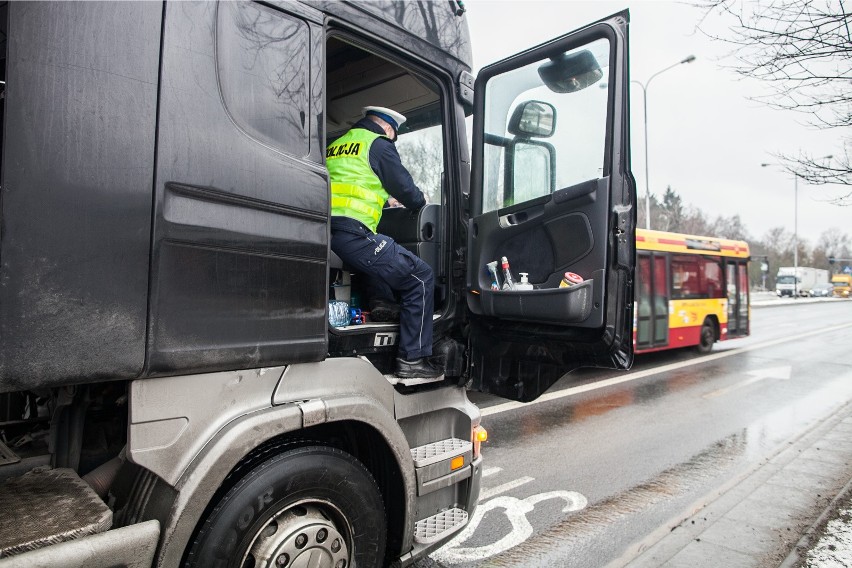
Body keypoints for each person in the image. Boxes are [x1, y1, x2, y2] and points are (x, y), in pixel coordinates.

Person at [327, 106, 444, 379]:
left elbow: (350, 183)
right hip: (353, 233)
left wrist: (385, 201)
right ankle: (413, 359)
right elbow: (405, 187)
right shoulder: (378, 144)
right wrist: (419, 201)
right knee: (420, 277)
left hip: (326, 231)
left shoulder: (336, 146)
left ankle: (382, 303)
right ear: (389, 129)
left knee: (377, 254)